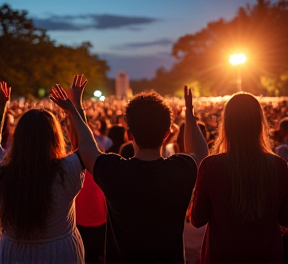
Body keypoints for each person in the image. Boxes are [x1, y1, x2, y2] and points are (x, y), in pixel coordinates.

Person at [50, 80, 209, 264]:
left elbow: (86, 147)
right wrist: (190, 114)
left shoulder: (114, 171)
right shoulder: (181, 169)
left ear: (129, 134)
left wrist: (75, 108)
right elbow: (200, 151)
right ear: (167, 134)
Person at [190, 92, 288, 264]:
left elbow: (197, 219)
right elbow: (286, 217)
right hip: (266, 256)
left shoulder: (211, 166)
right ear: (259, 124)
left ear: (226, 125)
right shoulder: (278, 166)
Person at [0, 78, 87, 264]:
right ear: (55, 137)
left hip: (13, 253)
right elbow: (85, 146)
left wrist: (1, 110)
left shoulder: (3, 173)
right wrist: (74, 108)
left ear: (19, 138)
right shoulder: (67, 170)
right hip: (61, 253)